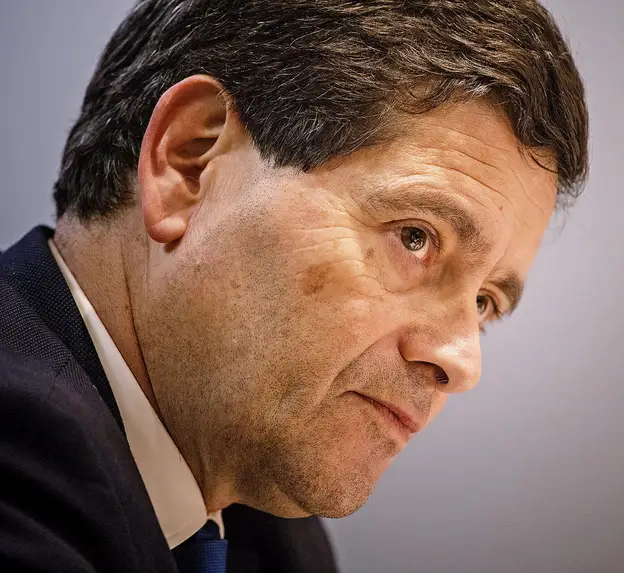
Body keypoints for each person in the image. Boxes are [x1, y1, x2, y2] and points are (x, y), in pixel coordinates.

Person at [0, 0, 588, 571]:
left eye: (484, 302)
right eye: (415, 237)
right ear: (189, 163)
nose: (463, 363)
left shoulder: (275, 539)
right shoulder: (20, 455)